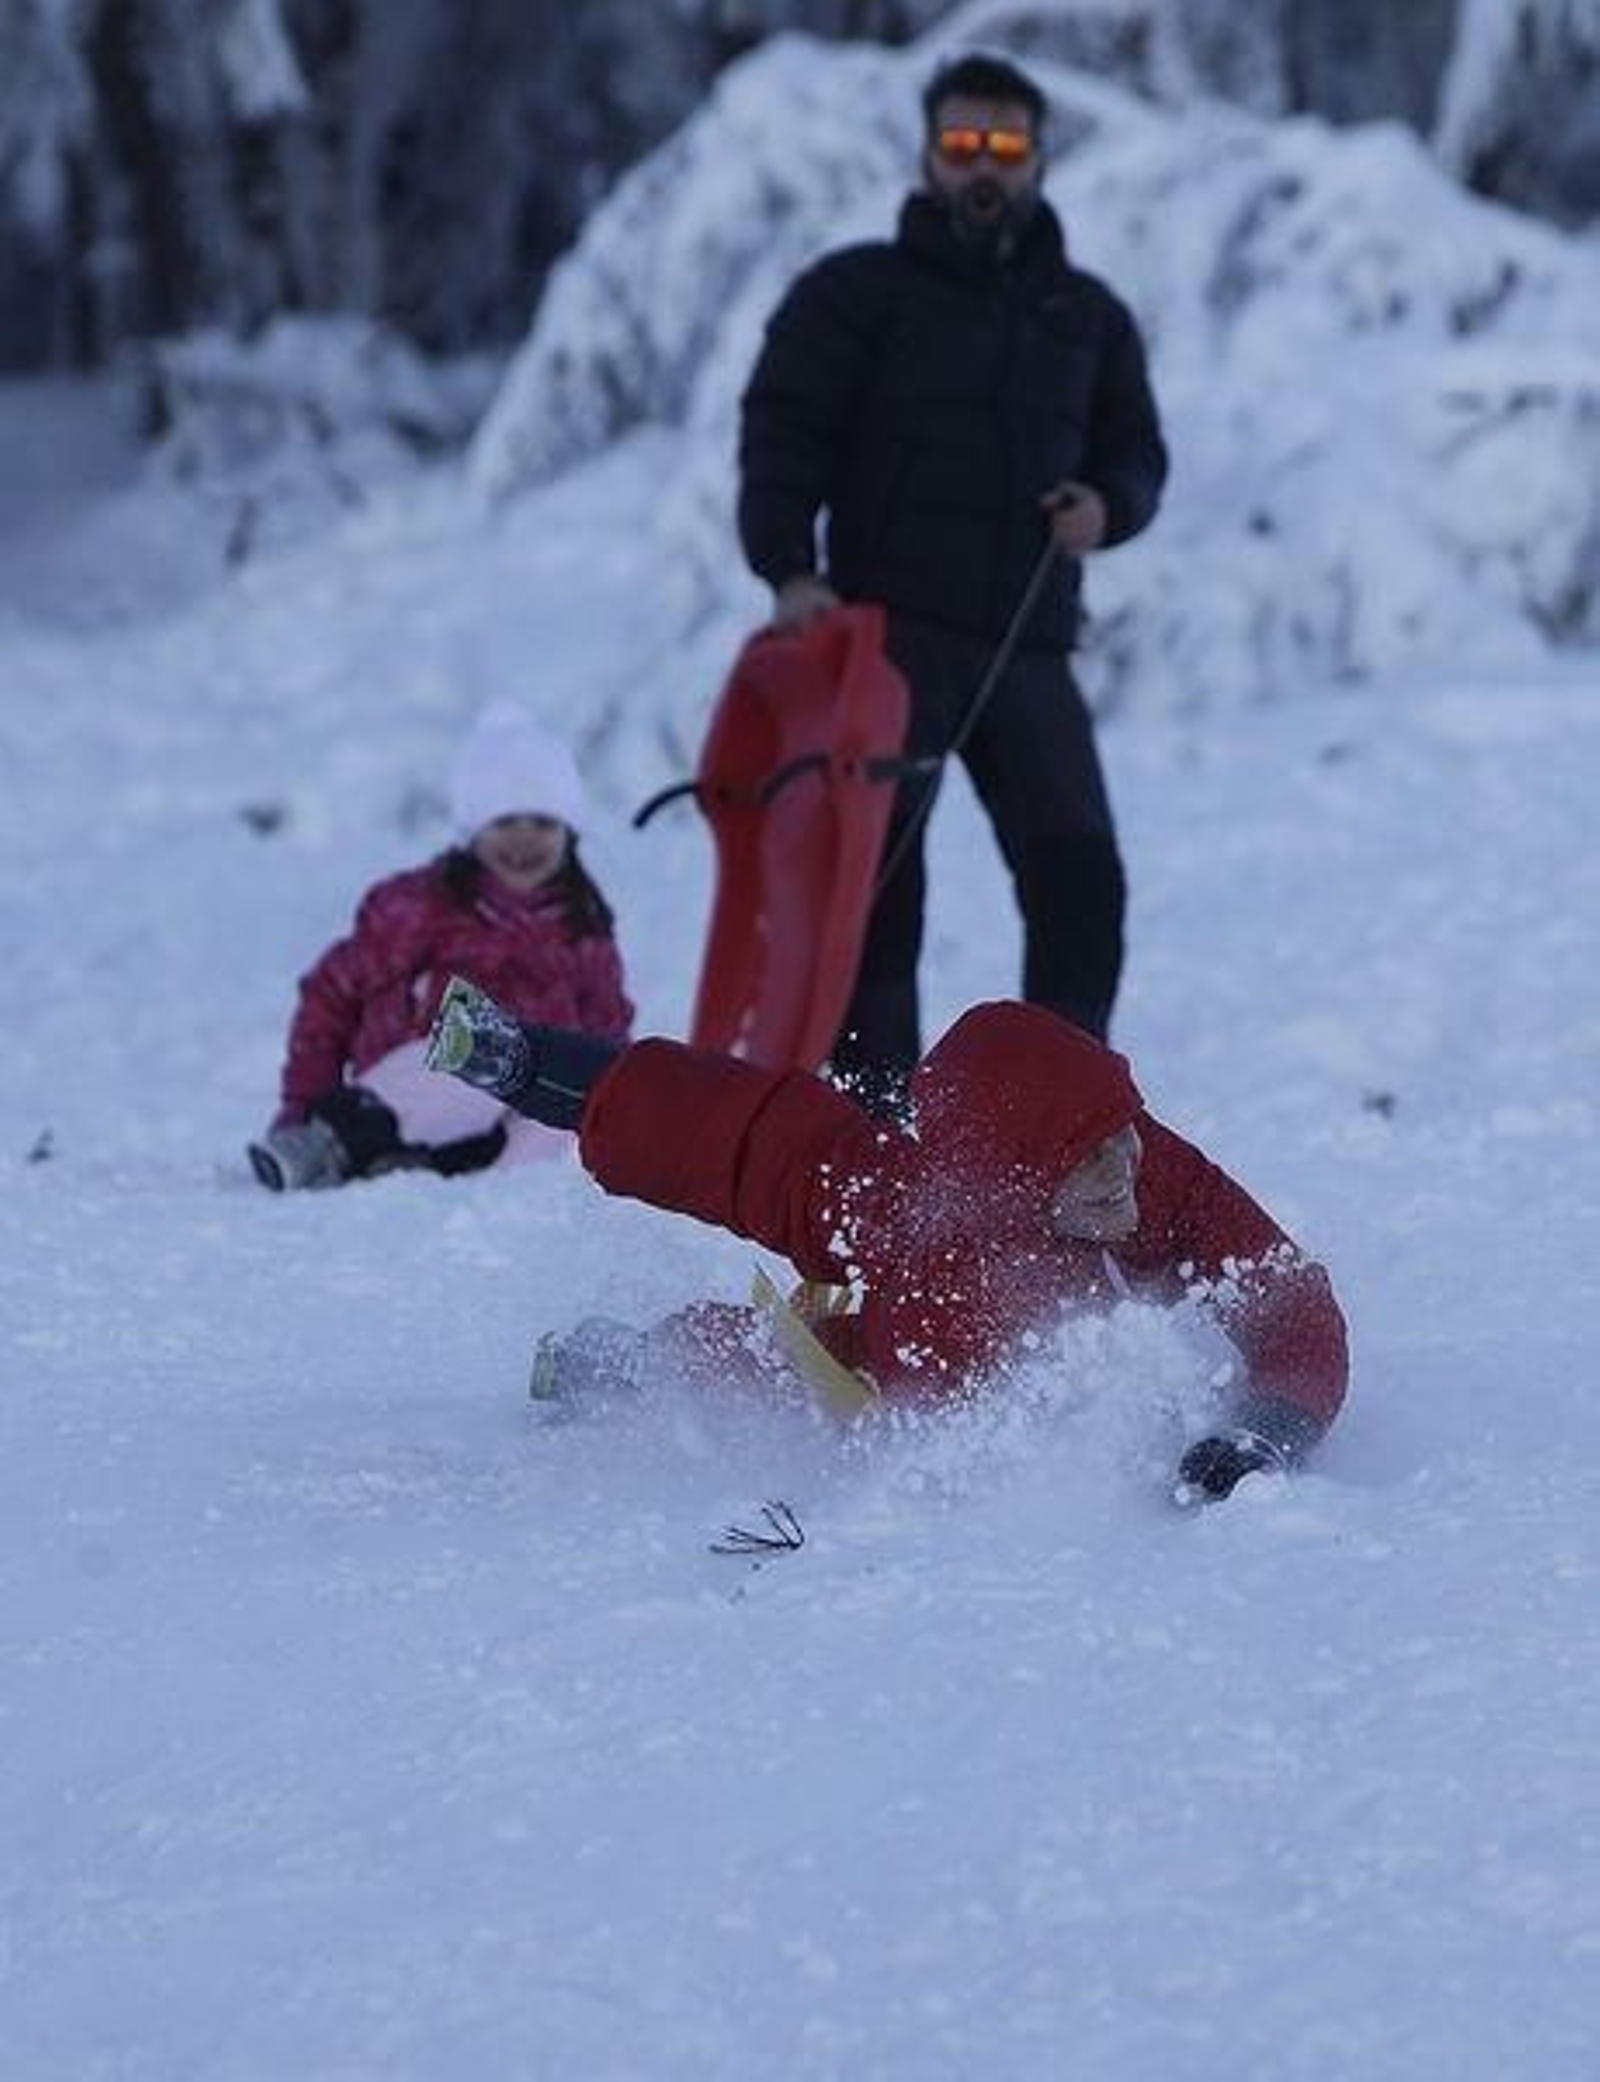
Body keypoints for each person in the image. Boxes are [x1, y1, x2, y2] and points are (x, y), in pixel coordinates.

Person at [424, 980, 1348, 1504]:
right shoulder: (908, 1233)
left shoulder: (1140, 1160)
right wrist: (527, 1063)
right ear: (1010, 1181)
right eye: (1090, 1159)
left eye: (1125, 1135)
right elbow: (717, 1129)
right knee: (755, 1375)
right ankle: (619, 1362)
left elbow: (1286, 1294)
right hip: (864, 1358)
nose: (1126, 1168)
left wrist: (1266, 1427)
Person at [737, 50, 1168, 1116]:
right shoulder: (854, 294)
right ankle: (870, 1129)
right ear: (929, 153)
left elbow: (1138, 453)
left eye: (1005, 146)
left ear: (1037, 157)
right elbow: (782, 434)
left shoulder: (1089, 315)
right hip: (883, 645)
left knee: (1081, 883)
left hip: (1029, 648)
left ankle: (1055, 1124)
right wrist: (788, 568)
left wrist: (1106, 508)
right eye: (963, 143)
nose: (983, 165)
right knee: (875, 900)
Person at [248, 704, 634, 1191]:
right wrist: (303, 1104)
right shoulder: (416, 908)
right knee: (471, 1048)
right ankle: (330, 1145)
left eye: (542, 822)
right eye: (505, 821)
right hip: (402, 1106)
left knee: (569, 1098)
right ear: (472, 828)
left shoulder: (583, 930)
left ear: (569, 832)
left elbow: (606, 1034)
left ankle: (493, 1189)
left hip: (507, 1126)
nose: (523, 839)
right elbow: (330, 999)